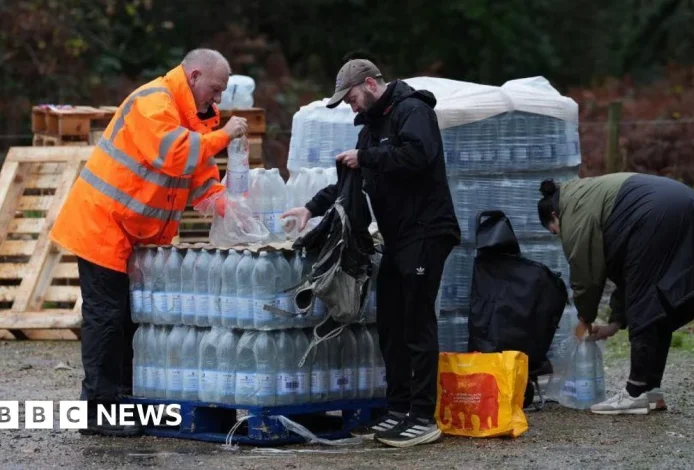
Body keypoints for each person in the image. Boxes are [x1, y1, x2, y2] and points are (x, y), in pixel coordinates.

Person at [49, 49, 248, 436]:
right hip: (104, 224)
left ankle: (123, 402)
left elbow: (200, 172)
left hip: (134, 233)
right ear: (194, 76)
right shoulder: (153, 103)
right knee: (107, 319)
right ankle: (98, 411)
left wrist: (225, 204)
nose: (219, 97)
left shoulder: (194, 115)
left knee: (130, 320)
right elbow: (175, 156)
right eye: (215, 88)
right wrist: (225, 136)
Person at [282, 59, 461, 447]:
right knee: (391, 323)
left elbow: (418, 155)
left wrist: (367, 157)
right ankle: (397, 407)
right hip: (397, 238)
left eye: (350, 97)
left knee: (417, 322)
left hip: (427, 231)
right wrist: (310, 209)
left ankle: (423, 416)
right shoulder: (371, 128)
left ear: (369, 84)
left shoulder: (414, 110)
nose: (350, 105)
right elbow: (349, 183)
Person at [537, 172, 694, 415]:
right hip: (681, 201)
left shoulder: (573, 213)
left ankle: (635, 392)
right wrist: (614, 324)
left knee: (644, 304)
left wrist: (584, 319)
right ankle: (651, 391)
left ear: (554, 215)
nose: (559, 235)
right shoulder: (585, 196)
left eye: (554, 231)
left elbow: (586, 274)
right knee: (657, 301)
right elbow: (627, 276)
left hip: (656, 212)